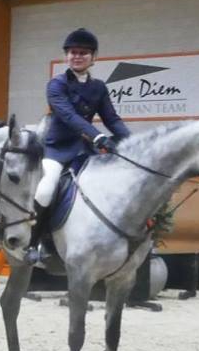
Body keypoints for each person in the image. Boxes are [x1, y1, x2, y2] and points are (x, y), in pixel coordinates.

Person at [31, 27, 131, 252]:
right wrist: (98, 137)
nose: (77, 56)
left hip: (85, 149)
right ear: (66, 56)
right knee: (46, 188)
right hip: (57, 148)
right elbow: (68, 116)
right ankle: (35, 241)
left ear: (93, 58)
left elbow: (112, 118)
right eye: (73, 52)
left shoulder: (99, 87)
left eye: (83, 53)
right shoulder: (57, 84)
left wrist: (131, 142)